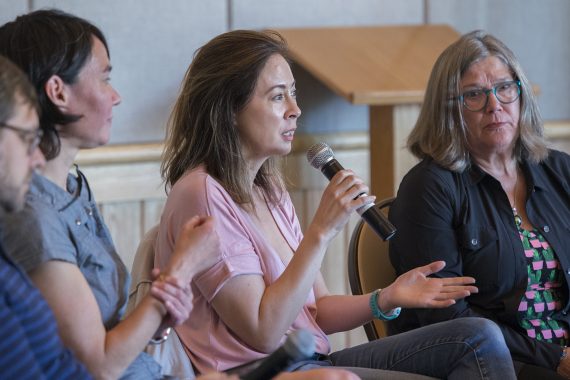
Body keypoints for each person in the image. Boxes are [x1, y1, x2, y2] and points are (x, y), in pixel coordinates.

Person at [0, 9, 360, 380]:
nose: (116, 96)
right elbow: (99, 364)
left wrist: (384, 301)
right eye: (105, 78)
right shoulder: (34, 214)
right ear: (58, 91)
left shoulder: (73, 188)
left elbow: (115, 334)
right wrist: (179, 272)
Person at [155, 28, 517, 380]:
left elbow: (316, 311)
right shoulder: (202, 193)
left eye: (293, 94)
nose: (295, 109)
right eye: (278, 96)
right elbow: (263, 332)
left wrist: (387, 298)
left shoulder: (270, 189)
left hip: (311, 359)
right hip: (258, 372)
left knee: (479, 337)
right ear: (229, 108)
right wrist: (321, 231)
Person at [388, 30, 570, 379]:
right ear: (448, 110)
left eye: (504, 88)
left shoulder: (559, 170)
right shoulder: (429, 188)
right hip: (492, 361)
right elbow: (450, 320)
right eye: (474, 95)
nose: (494, 106)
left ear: (520, 93)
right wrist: (554, 358)